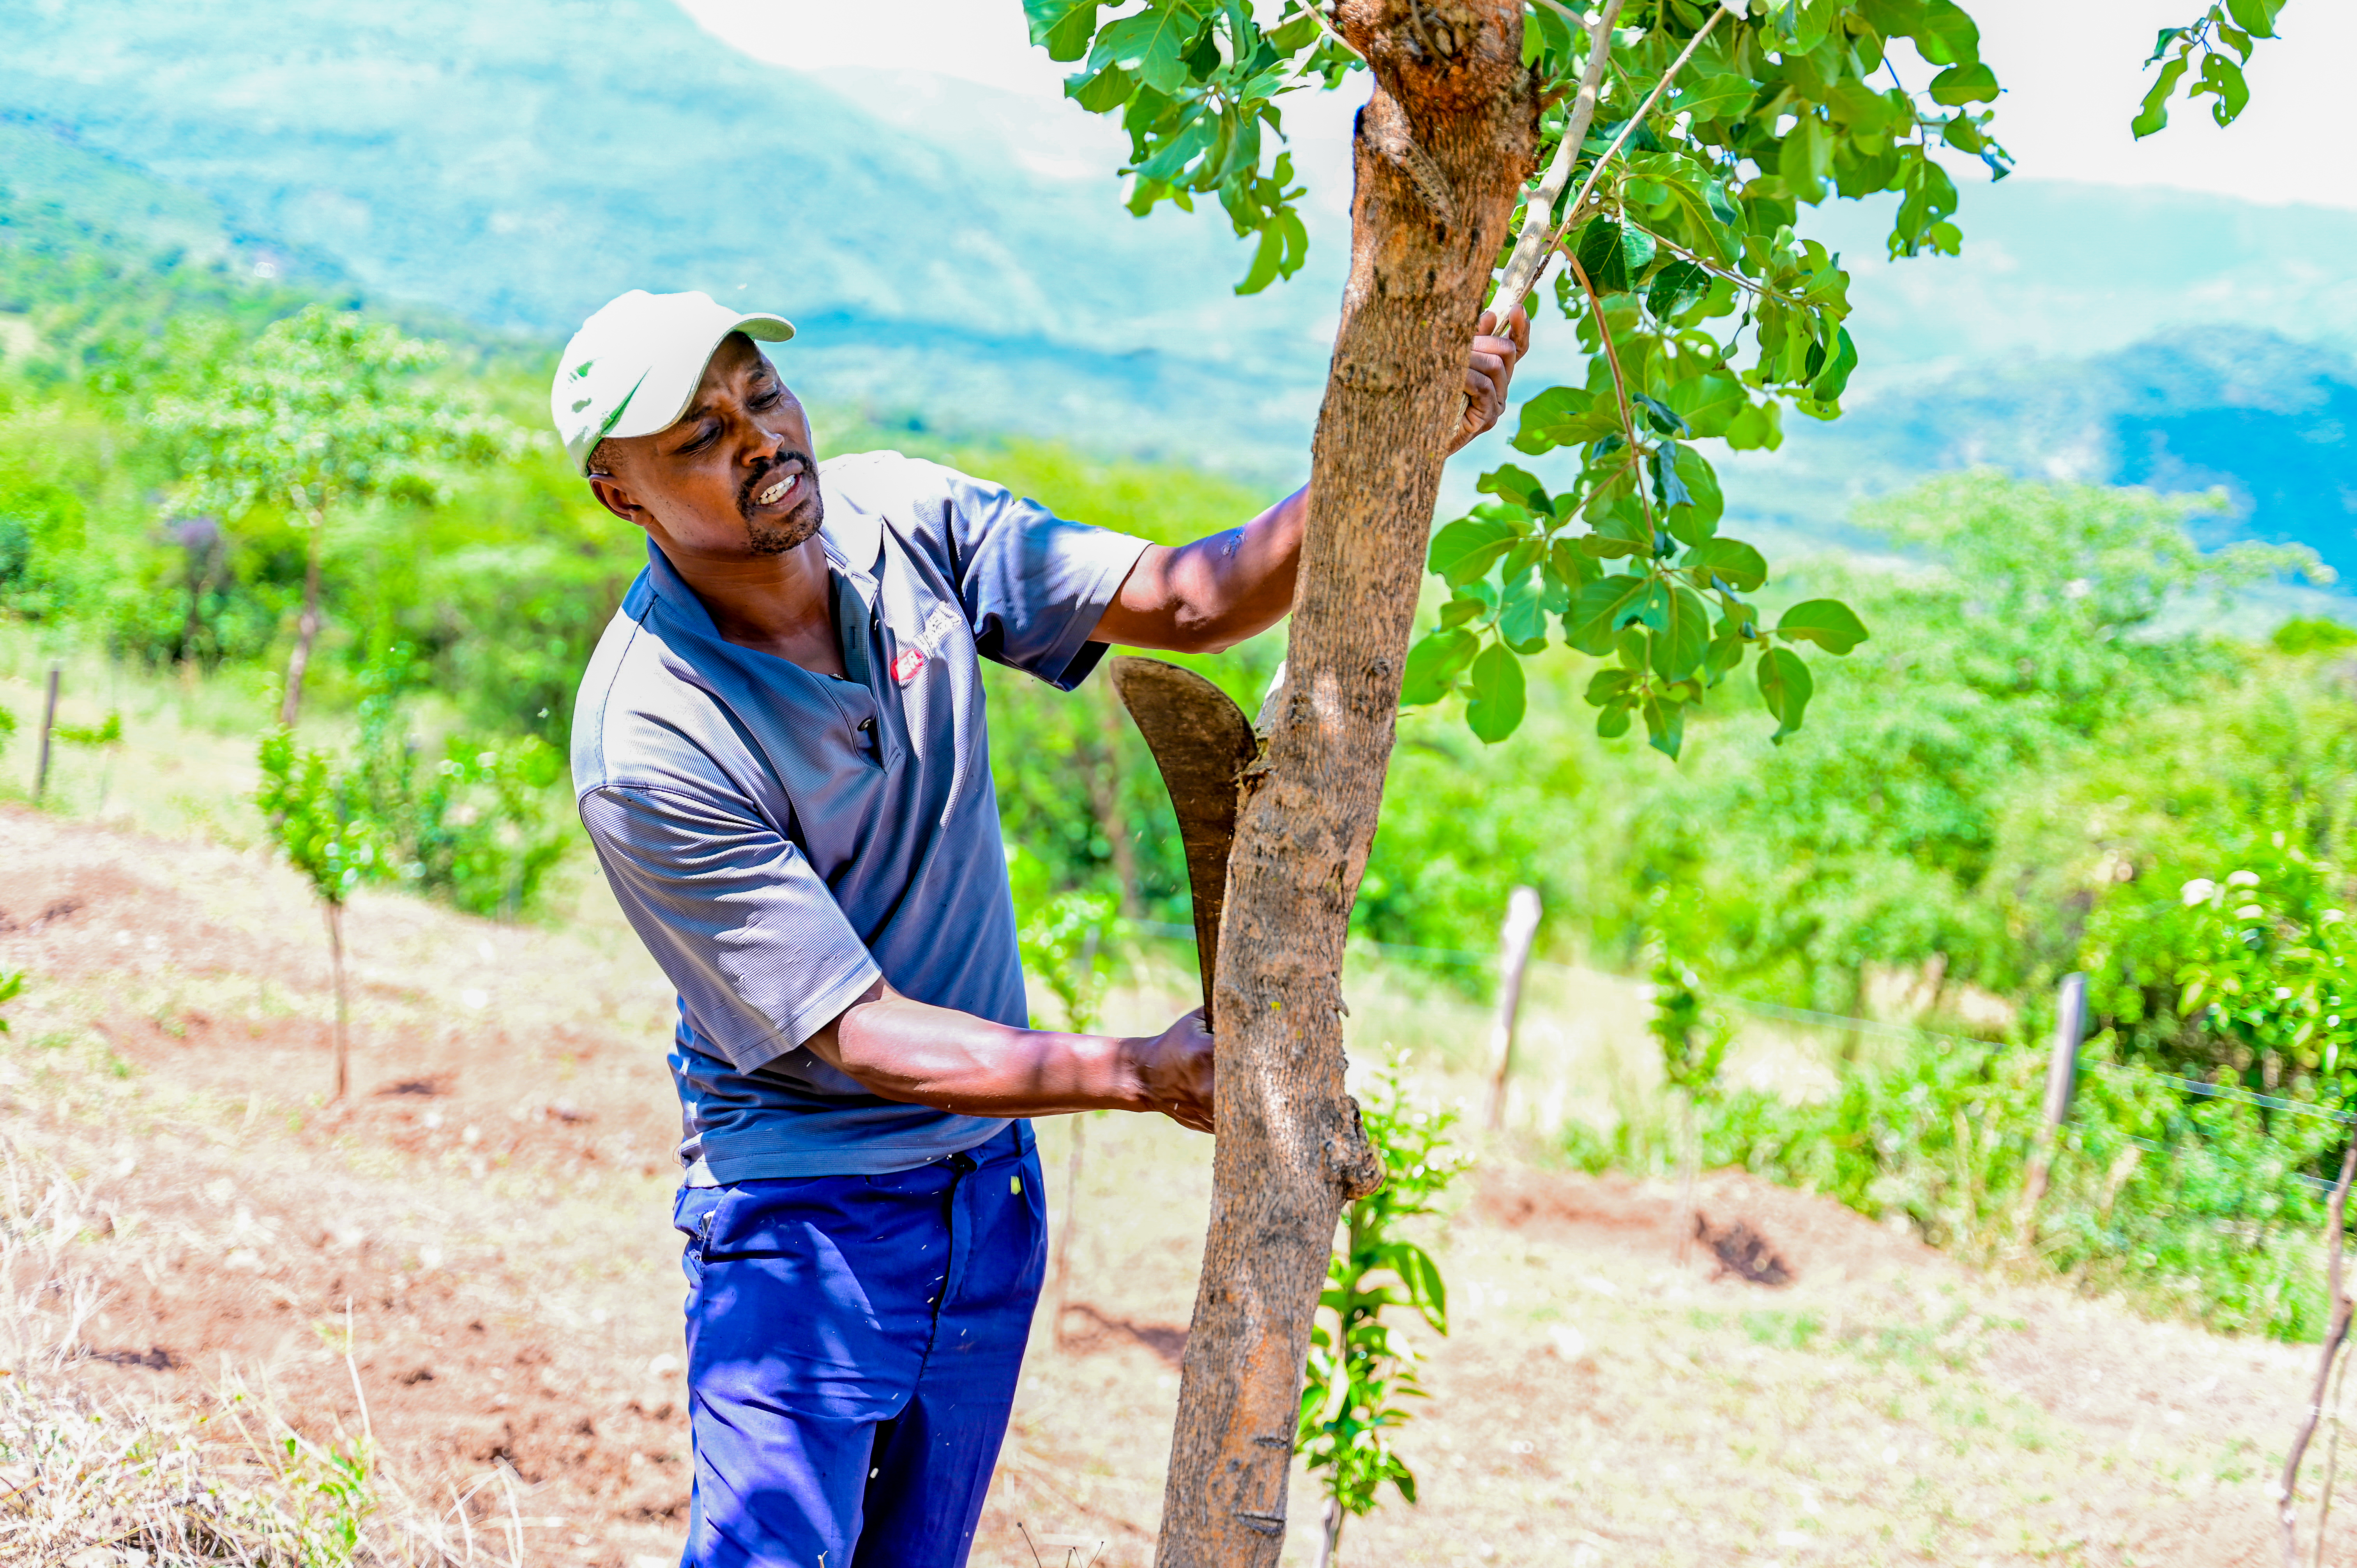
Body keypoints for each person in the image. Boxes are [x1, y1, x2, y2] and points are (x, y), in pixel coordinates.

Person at [552, 286, 1527, 1568]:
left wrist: (1394, 451)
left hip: (989, 1202)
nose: (759, 439)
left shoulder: (901, 519)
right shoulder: (650, 737)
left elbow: (1188, 602)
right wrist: (1134, 1071)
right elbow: (862, 1038)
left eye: (762, 393)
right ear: (623, 494)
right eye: (698, 437)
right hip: (805, 1226)